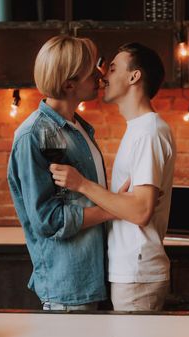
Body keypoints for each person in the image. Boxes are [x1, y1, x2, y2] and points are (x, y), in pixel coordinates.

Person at [50, 42, 176, 311]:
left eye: (114, 68)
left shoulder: (148, 132)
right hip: (130, 271)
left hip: (137, 273)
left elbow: (141, 210)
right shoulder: (139, 129)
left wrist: (82, 185)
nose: (103, 76)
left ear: (134, 76)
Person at [7, 35, 123, 311]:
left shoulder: (79, 127)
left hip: (92, 279)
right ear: (69, 84)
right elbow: (47, 220)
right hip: (68, 286)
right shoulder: (33, 135)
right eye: (90, 71)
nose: (99, 75)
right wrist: (117, 207)